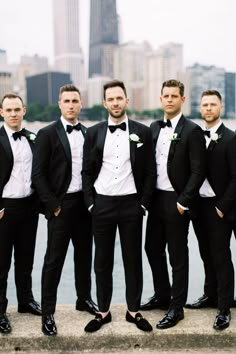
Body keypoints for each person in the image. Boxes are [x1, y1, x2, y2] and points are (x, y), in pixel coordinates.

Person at [82, 79, 156, 332]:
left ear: (127, 100)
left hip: (131, 205)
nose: (115, 103)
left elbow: (149, 172)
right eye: (110, 99)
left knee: (132, 259)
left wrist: (143, 205)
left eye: (119, 98)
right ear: (105, 103)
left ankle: (133, 311)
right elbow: (86, 172)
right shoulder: (92, 132)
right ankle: (103, 312)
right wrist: (91, 204)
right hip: (101, 204)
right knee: (101, 260)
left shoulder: (143, 132)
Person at [32, 84, 97, 336]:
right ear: (60, 104)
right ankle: (48, 312)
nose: (71, 105)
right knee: (53, 260)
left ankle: (84, 299)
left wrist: (93, 201)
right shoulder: (47, 133)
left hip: (85, 204)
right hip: (61, 206)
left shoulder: (88, 133)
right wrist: (54, 205)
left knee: (84, 257)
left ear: (81, 104)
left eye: (75, 101)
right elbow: (38, 175)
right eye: (66, 101)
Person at [141, 79, 206, 329]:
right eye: (165, 95)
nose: (169, 99)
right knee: (151, 248)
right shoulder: (153, 128)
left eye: (173, 96)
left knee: (177, 256)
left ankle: (176, 308)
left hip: (177, 201)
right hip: (156, 199)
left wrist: (183, 201)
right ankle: (162, 295)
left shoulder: (192, 131)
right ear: (160, 99)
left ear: (182, 99)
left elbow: (198, 171)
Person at [185, 90, 235, 330]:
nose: (207, 108)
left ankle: (224, 308)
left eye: (212, 104)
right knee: (205, 253)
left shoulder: (231, 138)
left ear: (220, 108)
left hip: (219, 207)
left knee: (221, 256)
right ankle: (210, 295)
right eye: (204, 104)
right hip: (199, 206)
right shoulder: (194, 135)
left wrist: (222, 208)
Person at [0, 94, 41, 334]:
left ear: (24, 111)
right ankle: (1, 311)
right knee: (1, 263)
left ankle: (25, 301)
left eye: (17, 109)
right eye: (9, 110)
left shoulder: (33, 138)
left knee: (25, 260)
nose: (14, 113)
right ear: (2, 112)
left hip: (29, 207)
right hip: (5, 209)